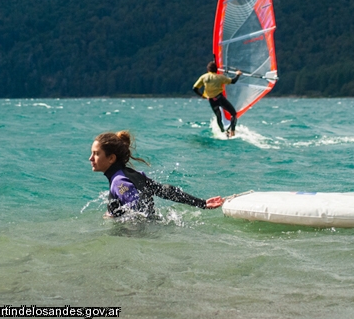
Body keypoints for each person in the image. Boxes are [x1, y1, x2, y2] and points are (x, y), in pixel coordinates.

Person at [90, 131, 224, 217]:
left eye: (96, 154)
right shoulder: (134, 174)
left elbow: (138, 214)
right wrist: (201, 203)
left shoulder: (119, 182)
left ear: (111, 158)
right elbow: (165, 190)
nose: (91, 158)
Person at [193, 61, 242, 137]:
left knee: (218, 116)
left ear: (208, 70)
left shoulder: (203, 77)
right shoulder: (220, 77)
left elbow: (195, 88)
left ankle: (223, 132)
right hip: (220, 99)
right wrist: (238, 75)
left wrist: (202, 95)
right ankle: (232, 131)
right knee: (234, 114)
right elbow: (233, 81)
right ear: (216, 70)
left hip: (211, 100)